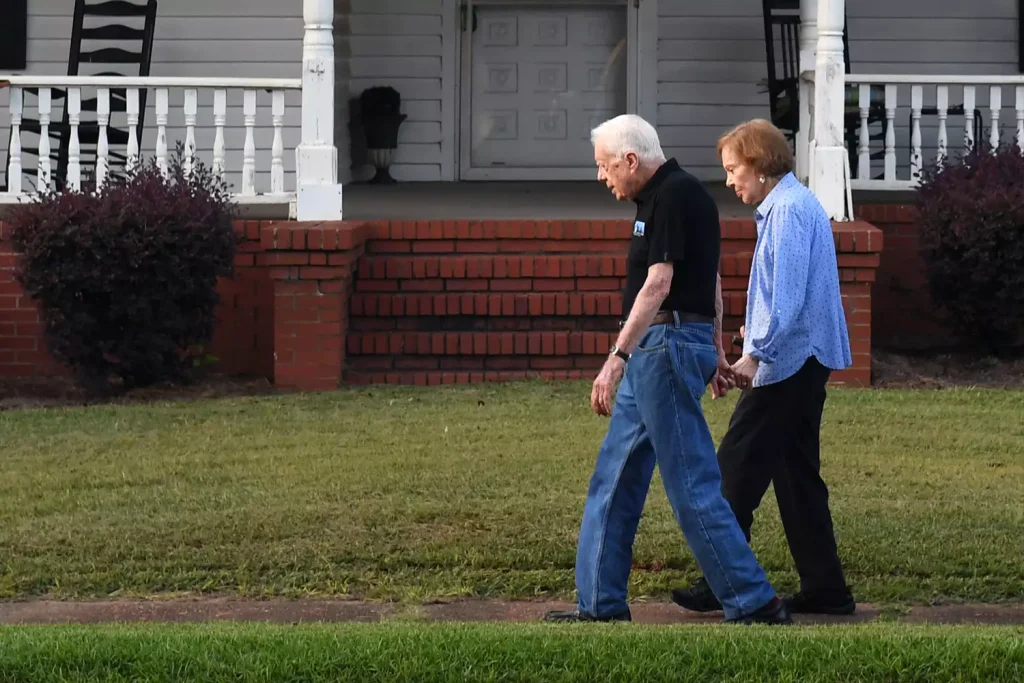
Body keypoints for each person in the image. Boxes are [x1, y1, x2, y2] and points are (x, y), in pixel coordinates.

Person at [543, 114, 790, 625]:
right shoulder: (662, 199)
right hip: (668, 346)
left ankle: (753, 600)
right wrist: (717, 349)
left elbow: (659, 285)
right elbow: (714, 280)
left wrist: (616, 359)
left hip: (664, 348)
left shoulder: (674, 195)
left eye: (605, 166)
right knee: (615, 477)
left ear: (631, 160)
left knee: (691, 482)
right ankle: (599, 605)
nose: (601, 177)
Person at [671, 119, 856, 616]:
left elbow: (789, 300)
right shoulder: (787, 207)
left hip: (790, 362)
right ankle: (826, 590)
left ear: (759, 164)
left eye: (734, 170)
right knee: (796, 476)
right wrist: (747, 347)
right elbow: (781, 297)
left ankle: (723, 579)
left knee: (734, 466)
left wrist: (756, 356)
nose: (730, 181)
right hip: (800, 358)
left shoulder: (790, 212)